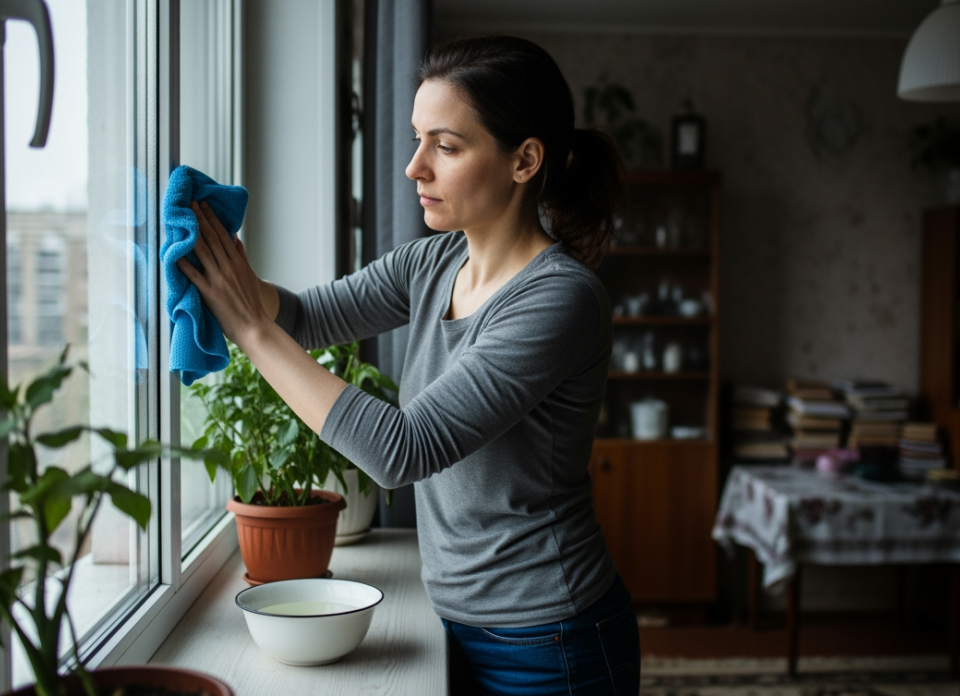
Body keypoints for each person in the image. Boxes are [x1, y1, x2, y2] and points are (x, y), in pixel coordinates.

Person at [178, 34, 638, 696]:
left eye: (446, 146)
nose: (413, 167)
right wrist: (223, 270)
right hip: (456, 619)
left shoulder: (560, 298)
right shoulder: (432, 262)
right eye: (417, 139)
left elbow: (404, 449)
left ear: (524, 160)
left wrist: (250, 329)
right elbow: (306, 318)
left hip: (551, 638)